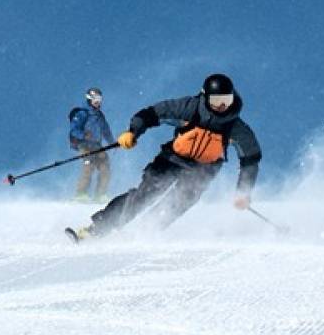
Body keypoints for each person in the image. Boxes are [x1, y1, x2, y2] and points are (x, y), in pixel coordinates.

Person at [67, 73, 262, 241]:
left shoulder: (235, 127)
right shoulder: (190, 107)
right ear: (205, 97)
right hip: (173, 159)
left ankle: (144, 232)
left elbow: (251, 159)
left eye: (225, 101)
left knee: (178, 202)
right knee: (145, 194)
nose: (221, 107)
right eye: (216, 101)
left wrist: (243, 192)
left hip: (203, 170)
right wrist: (133, 132)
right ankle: (97, 229)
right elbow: (151, 113)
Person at [68, 87, 116, 203]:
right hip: (85, 145)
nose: (98, 101)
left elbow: (106, 130)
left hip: (97, 145)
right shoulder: (82, 113)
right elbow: (73, 130)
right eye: (95, 99)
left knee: (105, 166)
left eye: (100, 99)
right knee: (88, 166)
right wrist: (84, 135)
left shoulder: (99, 116)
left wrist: (112, 143)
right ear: (89, 99)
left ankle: (100, 194)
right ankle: (81, 194)